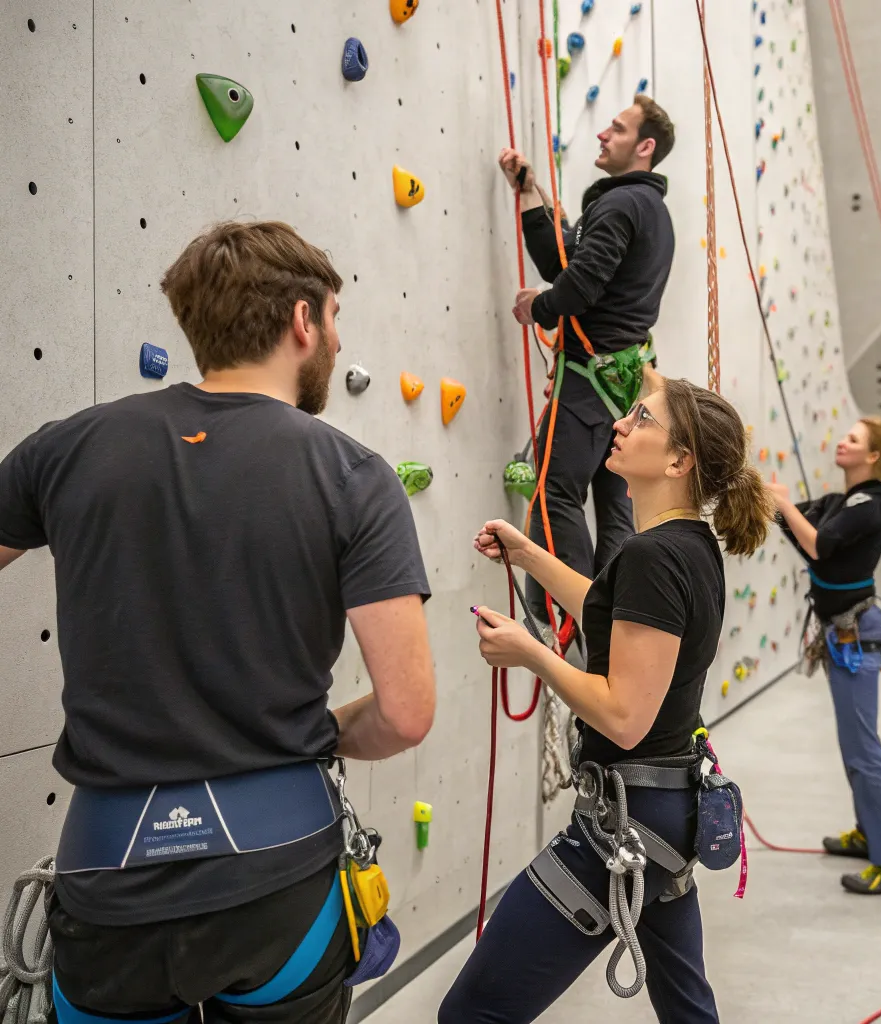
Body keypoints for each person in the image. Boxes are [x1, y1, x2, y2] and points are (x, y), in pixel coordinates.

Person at [0, 221, 437, 1022]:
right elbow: (407, 713)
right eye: (336, 317)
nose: (337, 338)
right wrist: (321, 731)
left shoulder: (69, 450)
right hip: (280, 876)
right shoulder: (353, 476)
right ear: (304, 322)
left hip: (108, 871)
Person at [439, 377, 774, 1023]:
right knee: (687, 1010)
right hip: (666, 811)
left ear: (679, 461)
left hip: (628, 823)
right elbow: (610, 612)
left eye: (642, 417)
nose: (621, 423)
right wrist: (531, 554)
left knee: (472, 1015)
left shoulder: (655, 555)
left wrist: (532, 654)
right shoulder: (687, 547)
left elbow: (624, 716)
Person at [498, 94, 676, 631]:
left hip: (588, 380)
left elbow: (577, 286)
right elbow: (565, 254)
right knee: (615, 509)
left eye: (617, 129)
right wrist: (530, 193)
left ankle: (574, 615)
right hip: (621, 385)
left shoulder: (622, 205)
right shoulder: (649, 210)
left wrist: (540, 307)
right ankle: (616, 620)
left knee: (553, 493)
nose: (603, 134)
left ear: (644, 147)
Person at [769, 417, 881, 895]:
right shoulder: (840, 502)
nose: (841, 442)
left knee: (864, 750)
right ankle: (870, 834)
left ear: (872, 457)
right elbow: (805, 541)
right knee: (855, 747)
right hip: (840, 633)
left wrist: (786, 504)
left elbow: (819, 542)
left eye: (853, 439)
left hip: (856, 635)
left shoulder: (873, 505)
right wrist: (775, 504)